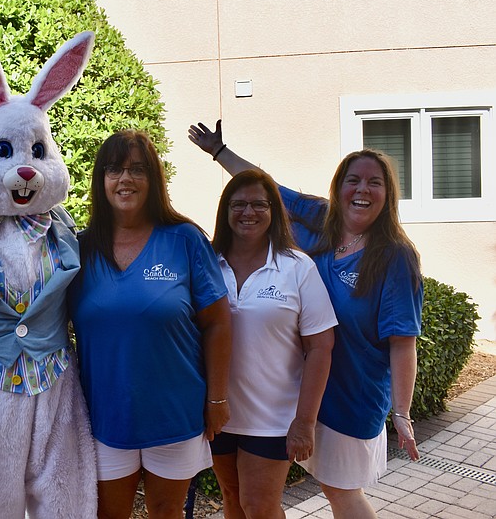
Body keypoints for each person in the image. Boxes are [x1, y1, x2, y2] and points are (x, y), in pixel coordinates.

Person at [189, 121, 422, 518]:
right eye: (353, 180)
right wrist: (219, 151)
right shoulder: (321, 221)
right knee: (248, 496)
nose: (362, 190)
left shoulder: (393, 255)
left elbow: (403, 341)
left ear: (389, 194)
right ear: (339, 187)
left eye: (374, 183)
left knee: (341, 491)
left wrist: (401, 412)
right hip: (304, 391)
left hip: (350, 392)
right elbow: (266, 191)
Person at [68, 130, 232, 519]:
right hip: (105, 417)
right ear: (100, 180)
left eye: (137, 170)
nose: (125, 179)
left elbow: (218, 323)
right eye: (114, 170)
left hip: (175, 415)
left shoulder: (185, 239)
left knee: (166, 512)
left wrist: (217, 400)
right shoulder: (78, 248)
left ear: (153, 180)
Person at [207, 170, 337, 518]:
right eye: (238, 204)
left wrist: (304, 421)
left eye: (258, 204)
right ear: (225, 210)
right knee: (232, 498)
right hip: (218, 412)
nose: (248, 212)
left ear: (273, 211)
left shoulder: (297, 268)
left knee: (259, 506)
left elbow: (321, 347)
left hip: (274, 418)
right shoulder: (207, 263)